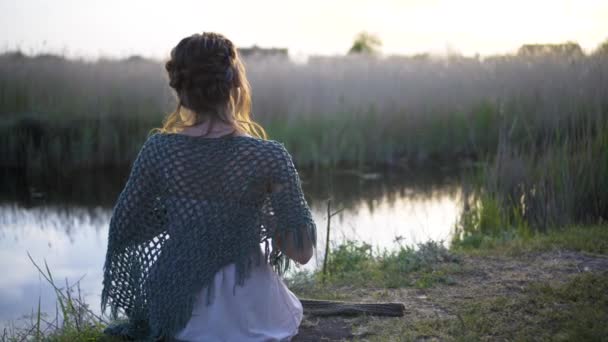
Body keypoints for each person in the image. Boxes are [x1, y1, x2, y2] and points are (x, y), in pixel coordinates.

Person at [101, 32, 317, 342]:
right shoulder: (269, 157)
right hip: (250, 311)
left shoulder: (159, 151)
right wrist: (259, 216)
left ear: (181, 89)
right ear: (236, 83)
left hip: (174, 302)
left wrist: (184, 212)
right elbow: (302, 252)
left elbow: (126, 228)